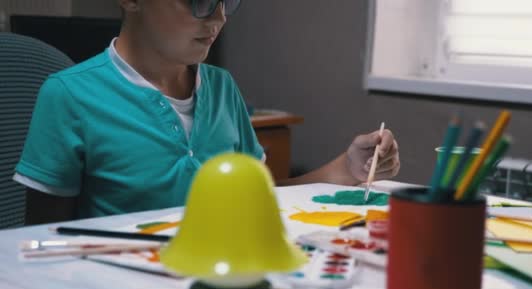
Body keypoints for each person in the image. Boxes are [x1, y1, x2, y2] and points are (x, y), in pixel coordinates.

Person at [14, 0, 400, 225]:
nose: (219, 19)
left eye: (227, 0)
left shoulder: (221, 87)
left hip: (216, 281)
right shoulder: (69, 95)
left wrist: (344, 169)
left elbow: (262, 195)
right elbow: (41, 241)